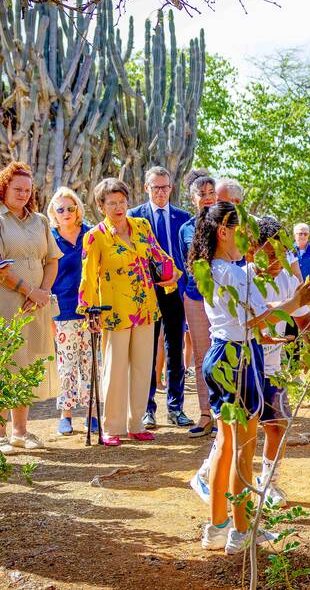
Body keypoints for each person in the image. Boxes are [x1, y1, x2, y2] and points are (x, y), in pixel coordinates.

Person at [192, 202, 310, 554]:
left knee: (225, 446)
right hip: (239, 359)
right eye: (240, 232)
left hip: (221, 355)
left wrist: (291, 304)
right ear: (224, 232)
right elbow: (253, 321)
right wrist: (296, 300)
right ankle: (241, 531)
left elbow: (251, 316)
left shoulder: (215, 270)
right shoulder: (233, 274)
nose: (246, 240)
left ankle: (217, 527)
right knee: (243, 449)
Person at [78, 178, 180, 446]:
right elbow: (88, 277)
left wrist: (173, 273)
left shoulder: (142, 226)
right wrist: (89, 312)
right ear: (101, 206)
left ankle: (137, 423)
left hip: (145, 308)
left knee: (143, 367)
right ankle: (112, 427)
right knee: (115, 370)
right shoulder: (95, 236)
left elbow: (158, 255)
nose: (119, 207)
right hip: (114, 311)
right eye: (112, 203)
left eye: (122, 201)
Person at [247, 216, 310, 506]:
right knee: (240, 430)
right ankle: (215, 471)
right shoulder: (242, 280)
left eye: (280, 254)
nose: (274, 261)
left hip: (273, 368)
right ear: (252, 249)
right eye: (268, 253)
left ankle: (269, 483)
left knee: (277, 424)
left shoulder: (287, 280)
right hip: (243, 366)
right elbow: (255, 323)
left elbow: (305, 319)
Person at [0, 162, 62, 454]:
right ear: (4, 188)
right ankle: (0, 434)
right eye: (17, 189)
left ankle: (20, 432)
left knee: (26, 364)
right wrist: (30, 291)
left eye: (27, 189)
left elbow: (51, 260)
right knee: (5, 365)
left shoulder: (40, 221)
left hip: (35, 305)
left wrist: (43, 293)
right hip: (7, 303)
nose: (23, 194)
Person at [128, 166, 194, 430]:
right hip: (146, 293)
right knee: (146, 351)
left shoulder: (184, 218)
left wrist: (180, 277)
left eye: (165, 187)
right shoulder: (134, 217)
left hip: (176, 291)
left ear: (171, 188)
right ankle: (147, 409)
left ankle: (176, 408)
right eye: (156, 187)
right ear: (147, 188)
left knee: (175, 351)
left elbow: (189, 256)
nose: (161, 192)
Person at [48, 187, 95, 435]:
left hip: (91, 309)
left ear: (78, 209)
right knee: (66, 363)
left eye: (70, 208)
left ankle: (91, 413)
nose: (66, 212)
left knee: (91, 363)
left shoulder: (91, 234)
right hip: (63, 309)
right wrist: (49, 316)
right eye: (60, 209)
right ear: (54, 214)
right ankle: (65, 414)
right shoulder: (50, 238)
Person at [178, 171, 218, 436]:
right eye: (201, 194)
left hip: (224, 297)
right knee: (202, 356)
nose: (207, 198)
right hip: (195, 297)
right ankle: (206, 413)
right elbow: (185, 264)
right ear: (193, 198)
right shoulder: (186, 229)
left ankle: (224, 412)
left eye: (211, 193)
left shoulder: (227, 222)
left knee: (224, 351)